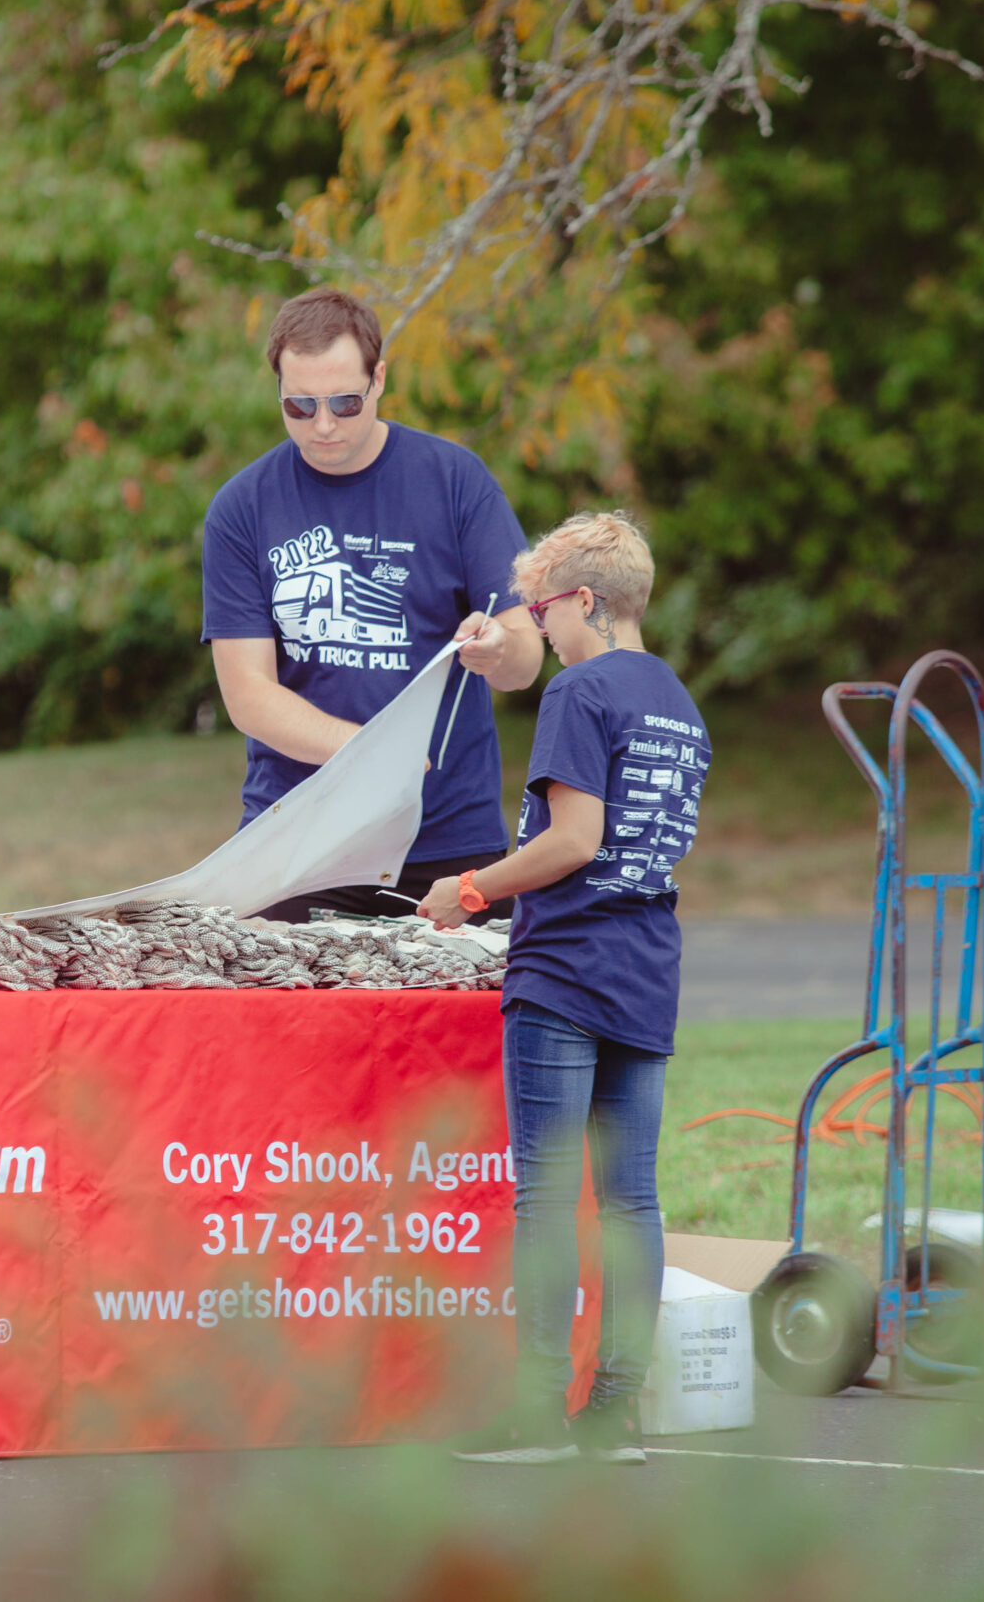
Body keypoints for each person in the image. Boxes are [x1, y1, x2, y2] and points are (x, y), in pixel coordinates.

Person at [419, 511, 709, 1465]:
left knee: (544, 1199)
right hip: (647, 964)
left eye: (541, 610)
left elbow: (573, 841)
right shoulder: (678, 699)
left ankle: (537, 1412)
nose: (535, 629)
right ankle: (614, 1413)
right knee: (632, 1203)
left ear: (585, 600)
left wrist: (470, 889)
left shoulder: (579, 694)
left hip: (565, 966)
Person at [201, 288, 545, 922]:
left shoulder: (456, 481)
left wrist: (497, 650)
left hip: (446, 842)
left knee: (455, 1022)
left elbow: (525, 660)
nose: (324, 425)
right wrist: (370, 753)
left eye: (345, 402)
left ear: (379, 378)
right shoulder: (242, 507)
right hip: (296, 841)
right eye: (299, 406)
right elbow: (248, 694)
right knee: (285, 1021)